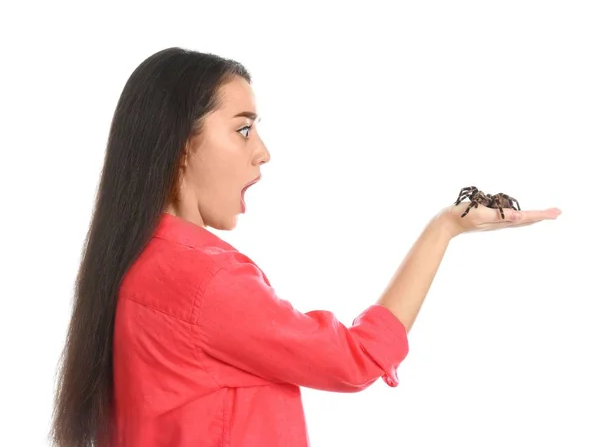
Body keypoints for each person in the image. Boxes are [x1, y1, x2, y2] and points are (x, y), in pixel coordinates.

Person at [50, 47, 562, 447]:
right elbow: (357, 357)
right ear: (183, 144)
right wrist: (444, 229)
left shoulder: (133, 267)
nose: (263, 152)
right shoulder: (207, 282)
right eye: (243, 129)